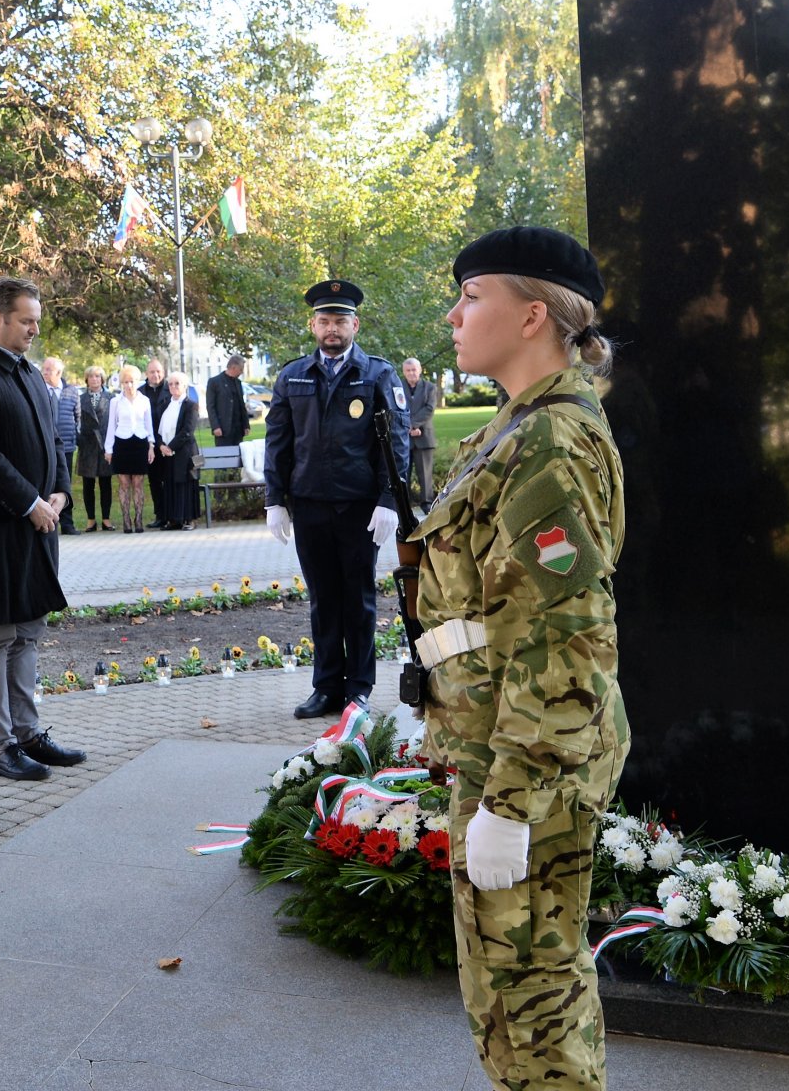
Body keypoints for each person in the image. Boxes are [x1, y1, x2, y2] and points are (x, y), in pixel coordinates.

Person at [415, 225, 627, 1091]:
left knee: (532, 1003)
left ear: (533, 314)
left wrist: (511, 798)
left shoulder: (547, 442)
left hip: (529, 769)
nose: (455, 314)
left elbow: (567, 632)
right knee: (507, 998)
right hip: (504, 749)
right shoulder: (516, 426)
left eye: (473, 297)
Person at [0, 277, 86, 782]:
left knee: (28, 632)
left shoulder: (28, 371)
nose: (33, 330)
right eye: (26, 321)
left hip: (38, 526)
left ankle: (27, 734)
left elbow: (52, 440)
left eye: (36, 322)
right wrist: (28, 502)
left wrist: (59, 492)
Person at [263, 279, 409, 719]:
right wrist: (275, 498)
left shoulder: (378, 374)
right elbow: (278, 441)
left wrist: (389, 499)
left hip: (359, 508)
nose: (332, 329)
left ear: (355, 324)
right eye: (324, 321)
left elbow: (396, 441)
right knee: (323, 599)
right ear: (312, 325)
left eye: (340, 321)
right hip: (309, 505)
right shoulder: (293, 376)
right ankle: (326, 687)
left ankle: (358, 690)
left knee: (359, 598)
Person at [104, 364, 154, 533]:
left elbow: (149, 426)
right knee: (124, 483)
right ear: (121, 383)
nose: (128, 385)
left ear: (137, 381)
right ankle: (126, 519)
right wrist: (108, 449)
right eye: (125, 382)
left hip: (140, 442)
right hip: (121, 443)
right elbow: (111, 426)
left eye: (131, 381)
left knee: (138, 483)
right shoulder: (115, 401)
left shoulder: (144, 400)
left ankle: (138, 518)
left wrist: (151, 446)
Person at [154, 371, 200, 530]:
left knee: (185, 485)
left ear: (184, 386)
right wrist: (161, 446)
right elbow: (158, 429)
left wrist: (170, 447)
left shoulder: (191, 405)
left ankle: (188, 519)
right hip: (167, 453)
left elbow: (187, 431)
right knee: (170, 485)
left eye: (177, 383)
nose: (173, 386)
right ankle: (173, 519)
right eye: (171, 384)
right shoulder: (166, 404)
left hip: (185, 452)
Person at [40, 355, 81, 534]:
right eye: (44, 369)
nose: (45, 373)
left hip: (67, 445)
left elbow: (78, 417)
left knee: (65, 484)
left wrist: (74, 436)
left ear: (59, 373)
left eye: (49, 370)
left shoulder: (71, 391)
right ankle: (48, 521)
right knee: (47, 483)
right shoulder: (39, 389)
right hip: (45, 446)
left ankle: (68, 524)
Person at [76, 365, 115, 530]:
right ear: (87, 379)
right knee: (88, 485)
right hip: (87, 446)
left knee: (106, 483)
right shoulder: (80, 398)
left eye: (98, 376)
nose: (94, 379)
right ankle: (91, 519)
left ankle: (106, 519)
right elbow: (75, 420)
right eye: (91, 377)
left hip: (105, 445)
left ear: (102, 379)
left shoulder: (111, 398)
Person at [403, 357, 440, 507]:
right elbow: (393, 408)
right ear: (404, 372)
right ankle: (404, 504)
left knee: (425, 475)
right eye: (408, 370)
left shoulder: (430, 387)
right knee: (402, 475)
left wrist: (413, 425)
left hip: (424, 437)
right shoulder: (397, 387)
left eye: (414, 370)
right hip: (403, 438)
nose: (411, 373)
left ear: (420, 370)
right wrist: (408, 427)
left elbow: (429, 409)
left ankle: (427, 505)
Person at [141, 358, 171, 525]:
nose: (156, 375)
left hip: (167, 443)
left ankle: (170, 514)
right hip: (149, 444)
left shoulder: (170, 389)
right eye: (152, 372)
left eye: (158, 371)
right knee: (154, 481)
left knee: (168, 479)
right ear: (147, 374)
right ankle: (160, 515)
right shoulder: (140, 392)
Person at [206, 355, 251, 448]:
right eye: (241, 369)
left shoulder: (238, 383)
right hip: (223, 429)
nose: (241, 372)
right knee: (224, 458)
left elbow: (241, 405)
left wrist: (246, 425)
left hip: (238, 429)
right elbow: (210, 407)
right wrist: (215, 426)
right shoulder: (214, 382)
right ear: (233, 367)